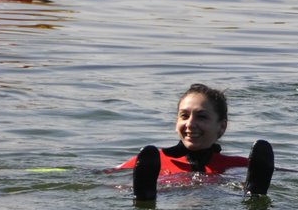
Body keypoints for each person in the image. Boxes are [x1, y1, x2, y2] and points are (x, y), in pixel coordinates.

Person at [116, 83, 274, 202]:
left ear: (222, 126)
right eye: (184, 116)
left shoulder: (241, 166)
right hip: (168, 202)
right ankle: (143, 197)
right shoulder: (149, 161)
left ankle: (253, 194)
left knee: (241, 190)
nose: (190, 124)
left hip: (219, 201)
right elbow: (102, 179)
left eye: (202, 117)